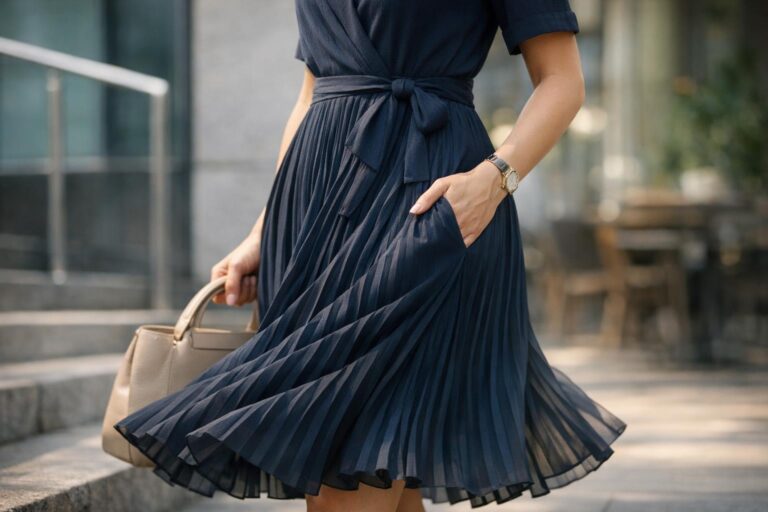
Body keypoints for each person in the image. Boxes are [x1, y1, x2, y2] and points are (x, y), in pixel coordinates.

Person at [114, 0, 627, 510]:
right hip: (316, 217)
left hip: (429, 211)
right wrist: (262, 229)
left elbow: (562, 80)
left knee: (344, 481)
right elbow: (313, 91)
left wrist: (494, 180)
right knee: (377, 476)